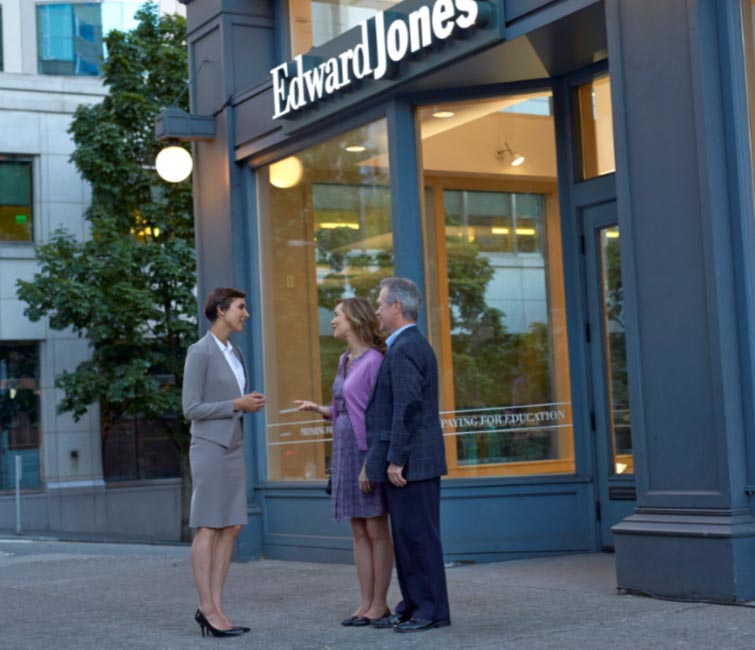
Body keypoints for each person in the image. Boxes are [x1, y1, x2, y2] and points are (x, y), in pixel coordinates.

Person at [294, 297, 393, 627]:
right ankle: (364, 604)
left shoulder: (376, 360)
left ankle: (380, 604)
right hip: (344, 450)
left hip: (365, 452)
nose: (332, 321)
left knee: (376, 528)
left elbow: (377, 415)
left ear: (353, 319)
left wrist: (370, 464)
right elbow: (346, 406)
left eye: (336, 316)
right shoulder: (344, 359)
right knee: (358, 529)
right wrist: (320, 410)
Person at [364, 277, 451, 633]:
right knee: (407, 536)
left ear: (396, 308)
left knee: (418, 537)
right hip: (412, 462)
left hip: (413, 463)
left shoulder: (406, 348)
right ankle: (413, 605)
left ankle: (431, 610)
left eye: (381, 304)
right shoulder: (403, 345)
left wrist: (397, 458)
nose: (378, 311)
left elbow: (409, 407)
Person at [182, 288, 266, 638]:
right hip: (209, 447)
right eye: (240, 307)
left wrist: (245, 404)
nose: (246, 313)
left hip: (232, 446)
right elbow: (191, 408)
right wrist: (237, 404)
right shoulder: (199, 352)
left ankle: (217, 606)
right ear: (220, 310)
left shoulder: (235, 351)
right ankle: (206, 607)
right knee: (208, 527)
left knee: (231, 526)